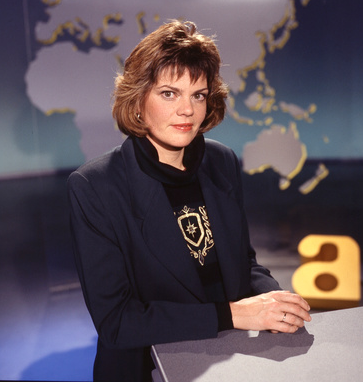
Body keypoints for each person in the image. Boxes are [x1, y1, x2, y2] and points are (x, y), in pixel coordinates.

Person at [67, 20, 311, 382]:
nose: (187, 110)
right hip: (148, 367)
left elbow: (243, 263)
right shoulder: (95, 186)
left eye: (198, 95)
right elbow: (118, 321)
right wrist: (234, 314)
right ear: (137, 101)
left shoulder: (222, 160)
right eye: (169, 93)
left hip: (229, 356)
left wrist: (275, 301)